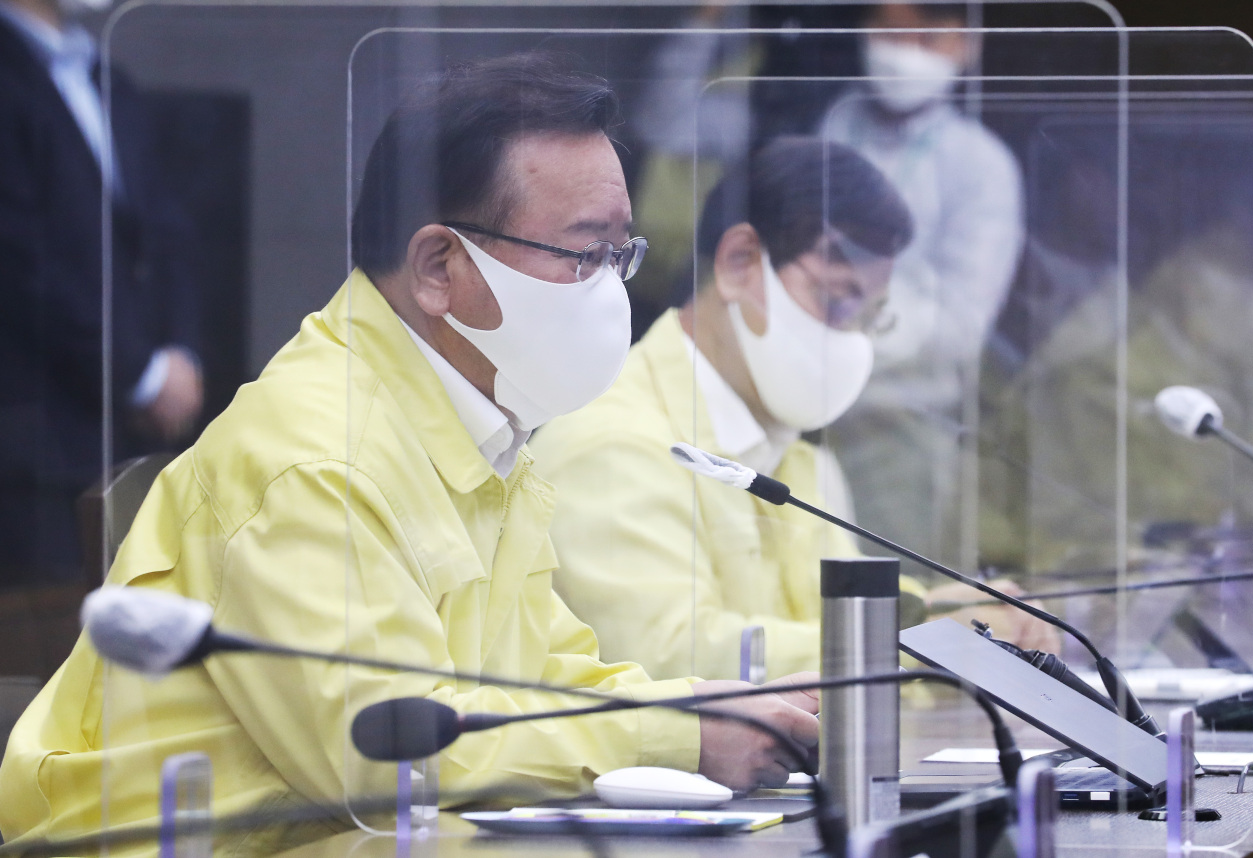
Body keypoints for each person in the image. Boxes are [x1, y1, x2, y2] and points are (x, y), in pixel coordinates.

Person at [0, 53, 820, 852]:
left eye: (622, 254)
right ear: (438, 266)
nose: (613, 289)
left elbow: (542, 674)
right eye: (585, 254)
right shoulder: (315, 455)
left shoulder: (479, 418)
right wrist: (675, 737)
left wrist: (715, 705)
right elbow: (383, 752)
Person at [532, 136, 1055, 683]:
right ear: (738, 263)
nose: (852, 339)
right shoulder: (610, 445)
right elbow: (669, 657)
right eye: (835, 300)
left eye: (869, 316)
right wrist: (921, 644)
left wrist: (937, 611)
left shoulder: (797, 456)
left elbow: (826, 618)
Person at [0, 0, 205, 589]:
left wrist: (179, 355)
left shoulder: (106, 76)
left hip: (121, 443)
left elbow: (167, 235)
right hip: (30, 452)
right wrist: (142, 374)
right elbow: (19, 266)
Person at [820, 2, 1024, 576]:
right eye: (888, 30)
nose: (901, 49)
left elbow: (961, 328)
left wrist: (845, 325)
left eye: (926, 34)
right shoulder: (837, 122)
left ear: (967, 42)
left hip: (903, 429)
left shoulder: (980, 164)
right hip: (804, 412)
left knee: (890, 601)